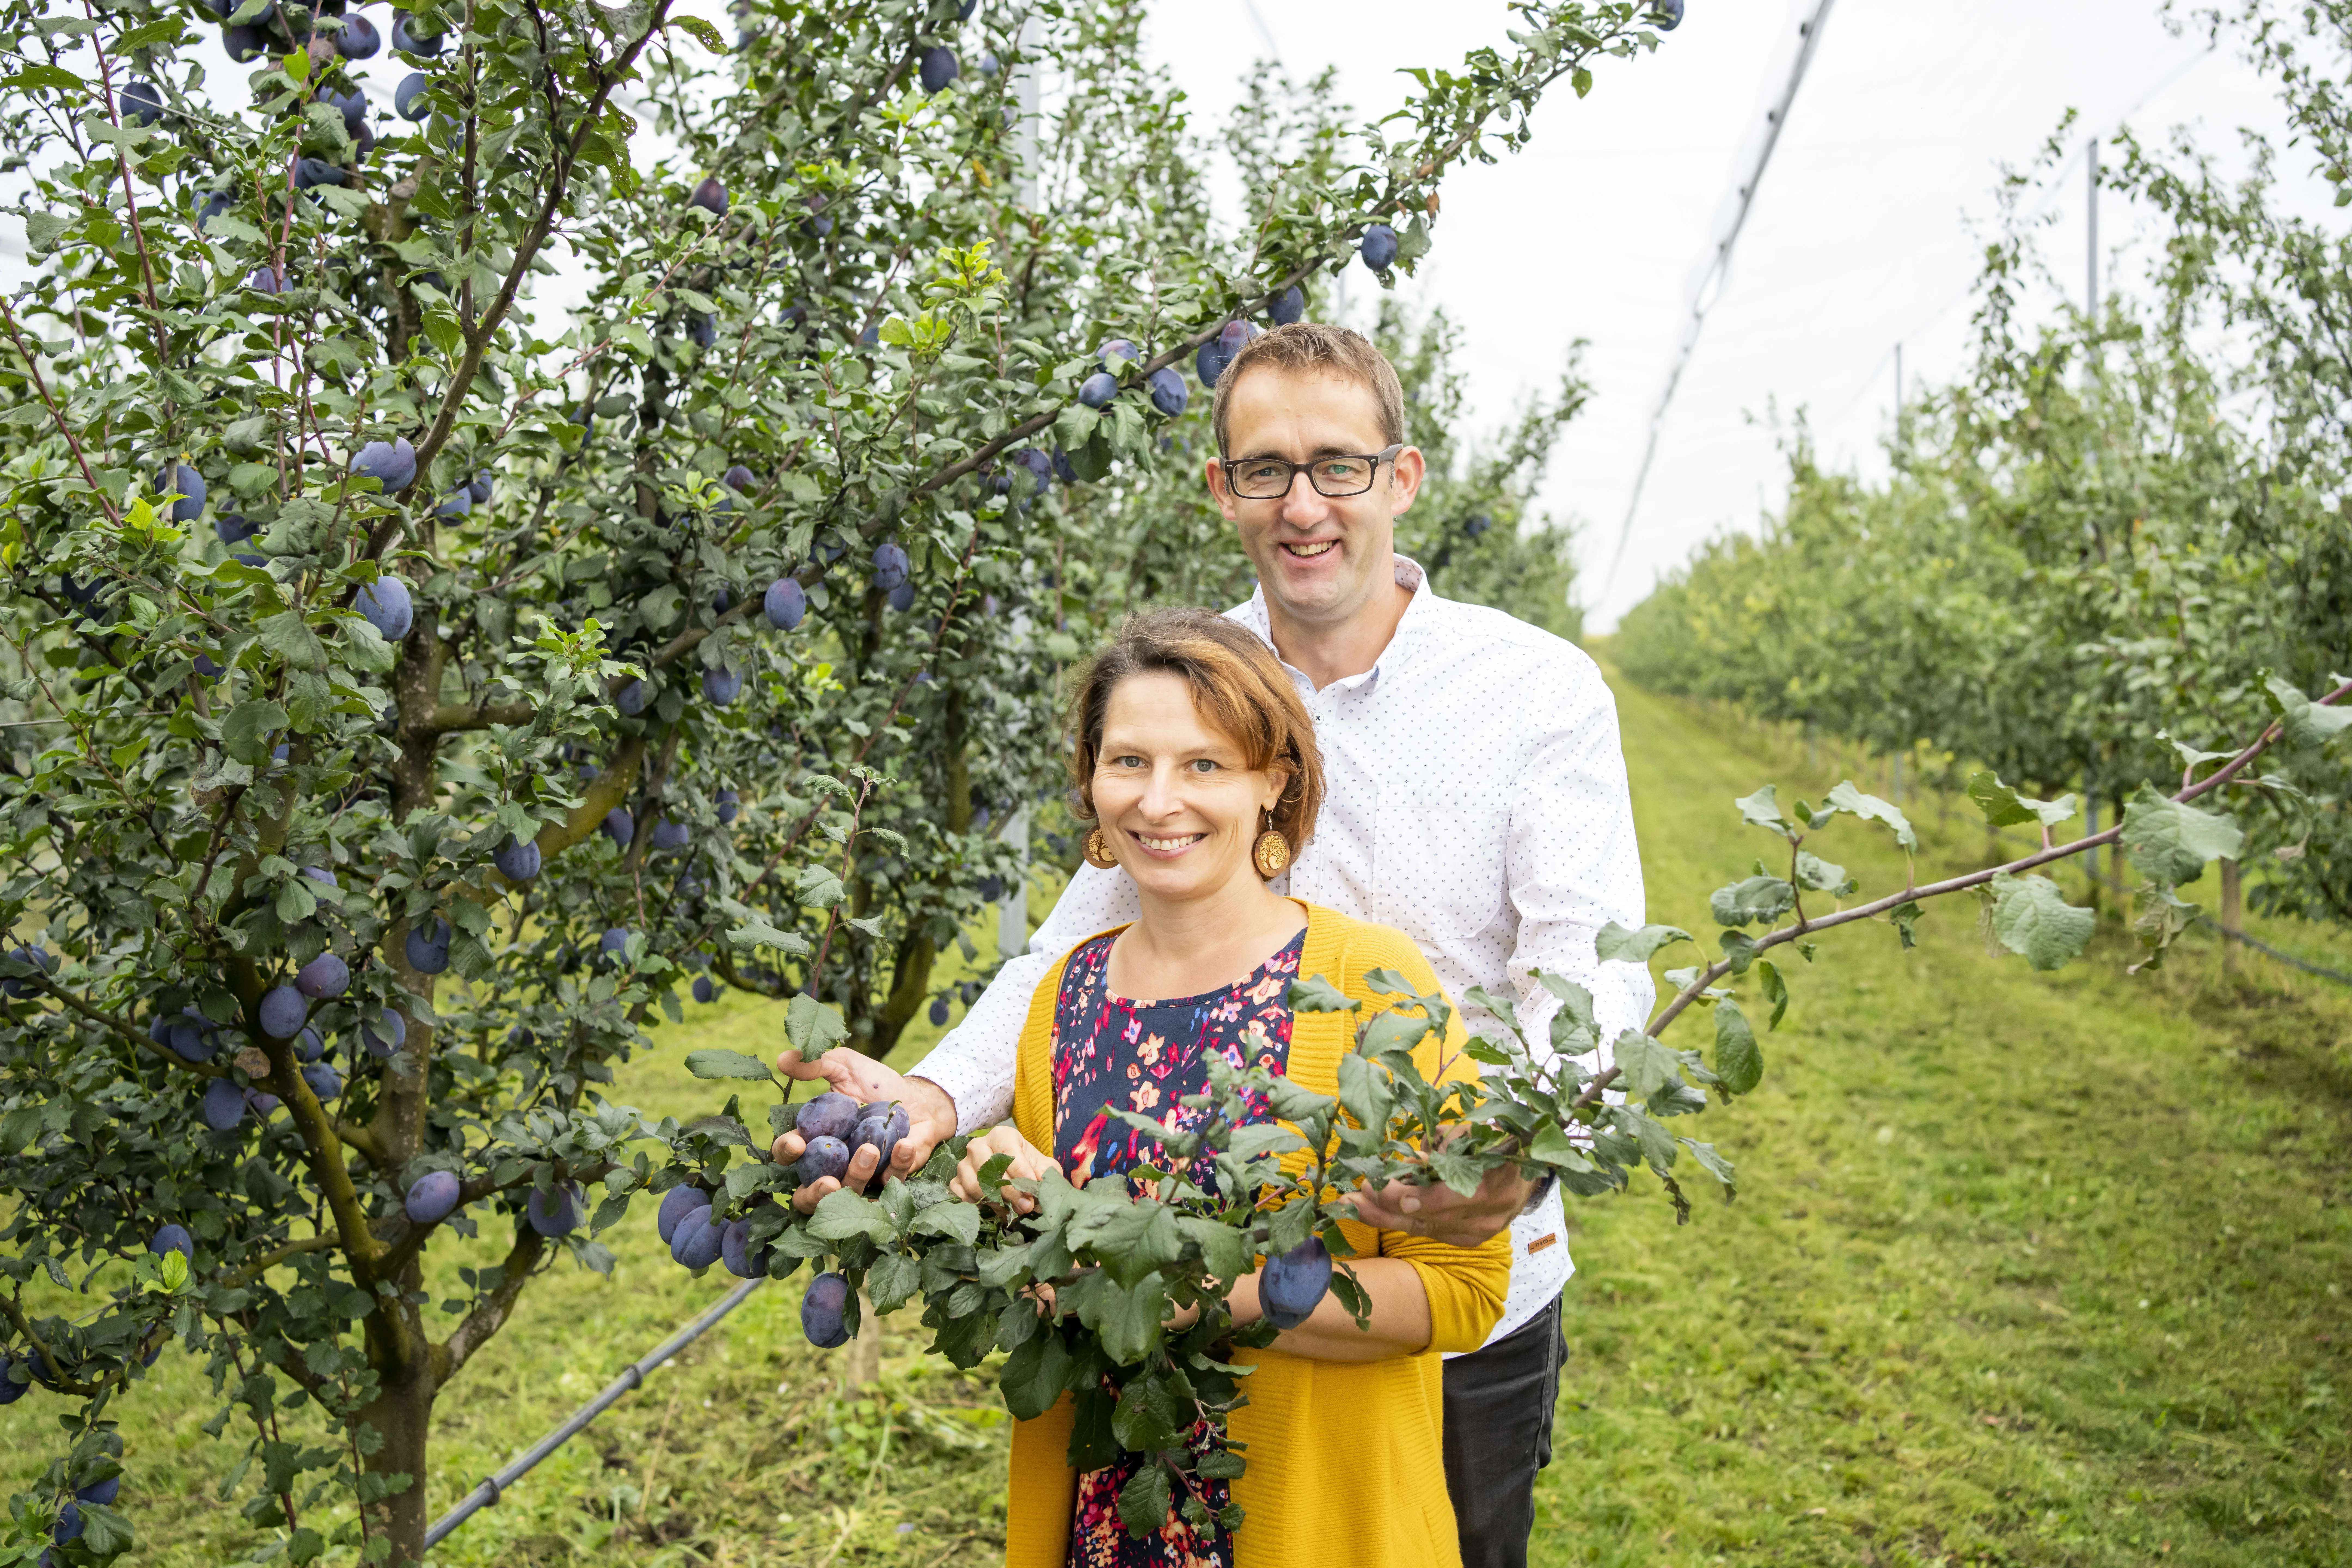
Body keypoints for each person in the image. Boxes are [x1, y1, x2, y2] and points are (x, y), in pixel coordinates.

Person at [773, 321, 1653, 1568]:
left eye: (1339, 466)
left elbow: (1586, 964)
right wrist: (927, 1093)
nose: (1304, 505)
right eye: (1266, 469)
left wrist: (1515, 1157)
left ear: (1401, 479)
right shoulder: (1193, 681)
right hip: (1177, 1261)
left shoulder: (1533, 691)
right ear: (1222, 489)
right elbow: (1063, 957)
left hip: (1431, 1272)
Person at [954, 607, 1510, 1568]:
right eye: (1128, 761)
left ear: (1274, 782)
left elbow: (1460, 1291)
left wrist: (1215, 1295)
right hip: (1109, 1525)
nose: (1159, 801)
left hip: (1316, 1527)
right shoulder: (1065, 1000)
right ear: (1092, 781)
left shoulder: (1370, 988)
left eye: (1204, 764)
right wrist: (1014, 1217)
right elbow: (1069, 1283)